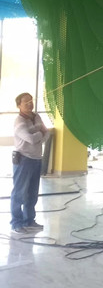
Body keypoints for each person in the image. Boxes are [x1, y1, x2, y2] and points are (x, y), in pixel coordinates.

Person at [10, 92, 49, 234]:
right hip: (24, 160)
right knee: (19, 193)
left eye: (31, 101)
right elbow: (31, 139)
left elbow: (47, 133)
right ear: (19, 105)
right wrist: (40, 133)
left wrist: (39, 134)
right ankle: (16, 223)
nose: (29, 104)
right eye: (25, 102)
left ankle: (29, 221)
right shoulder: (19, 121)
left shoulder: (36, 116)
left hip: (37, 159)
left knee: (32, 193)